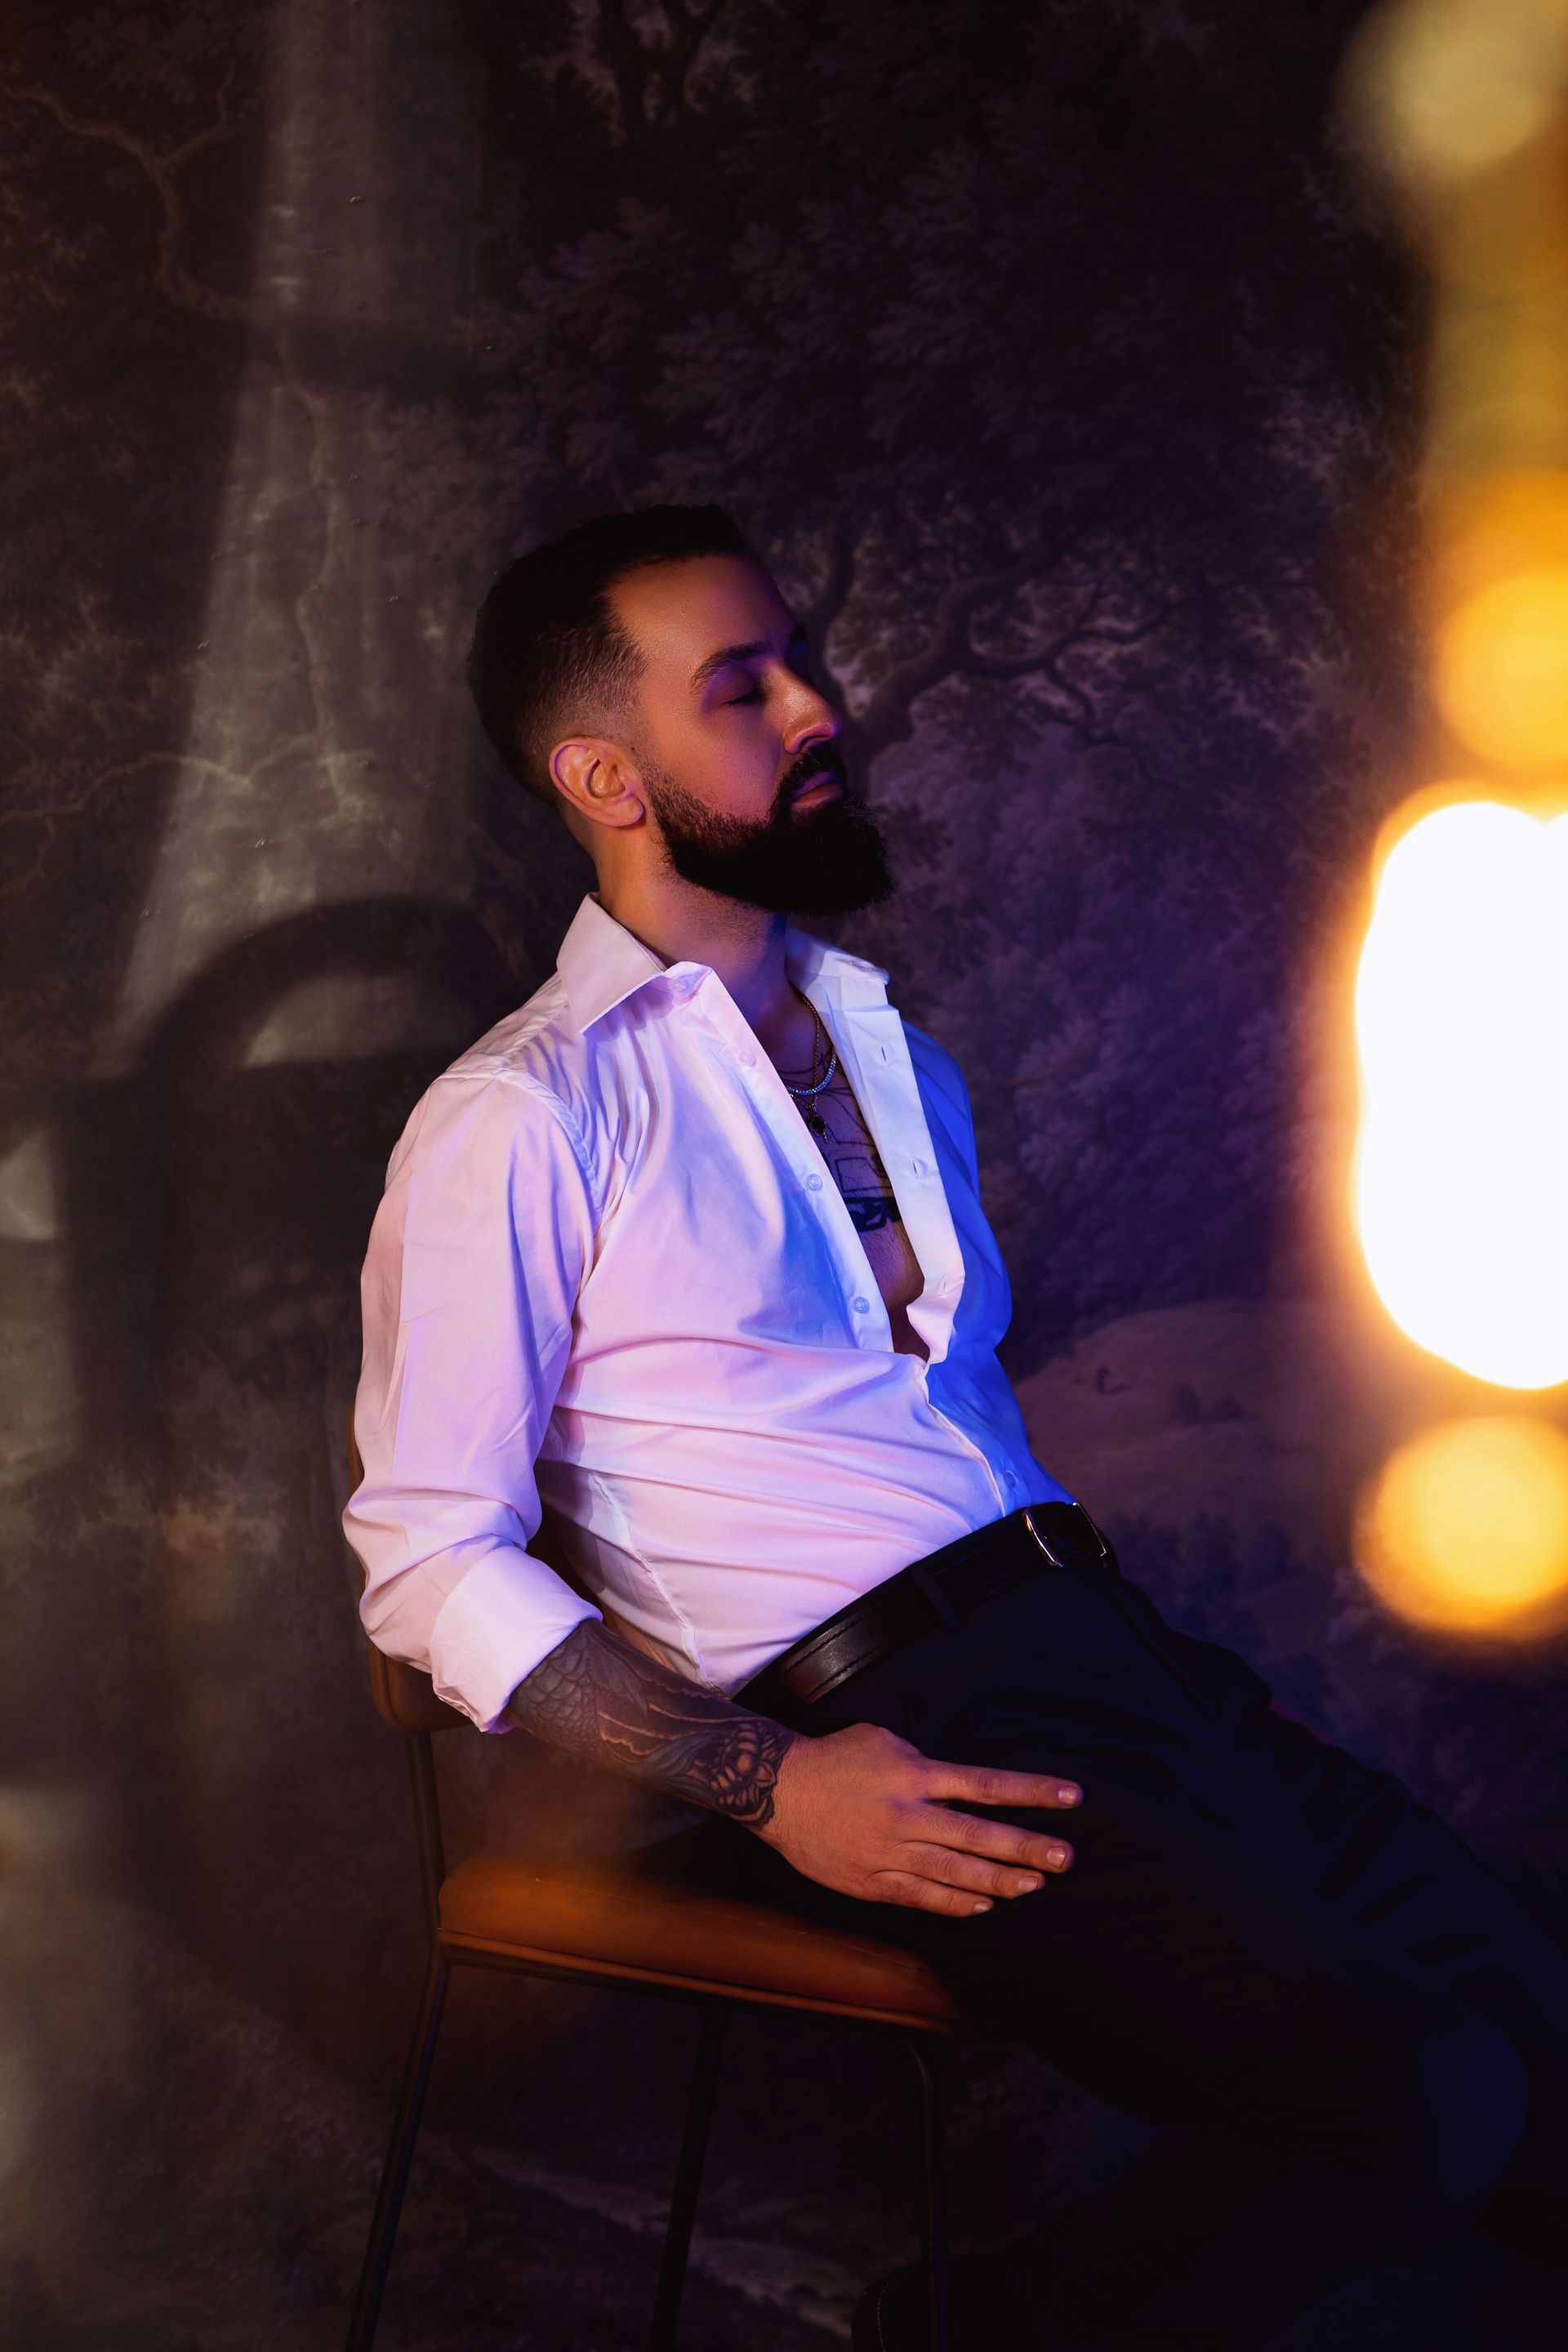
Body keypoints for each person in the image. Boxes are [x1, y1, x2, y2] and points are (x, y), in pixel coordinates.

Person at [345, 505, 1568, 2350]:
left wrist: (1159, 1692)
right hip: (903, 1734)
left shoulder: (893, 1054)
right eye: (740, 689)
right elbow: (427, 1560)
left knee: (1542, 2057)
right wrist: (777, 1789)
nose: (815, 707)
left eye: (802, 661)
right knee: (1423, 2092)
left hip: (1124, 1660)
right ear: (603, 771)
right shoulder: (522, 1115)